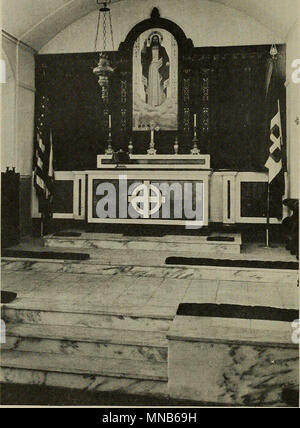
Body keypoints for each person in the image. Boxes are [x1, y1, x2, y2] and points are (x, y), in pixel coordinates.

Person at [141, 34, 169, 107]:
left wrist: (166, 62)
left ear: (159, 40)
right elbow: (143, 55)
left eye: (156, 39)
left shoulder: (162, 48)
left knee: (159, 84)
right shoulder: (148, 49)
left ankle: (160, 102)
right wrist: (144, 44)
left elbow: (166, 57)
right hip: (152, 68)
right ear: (152, 40)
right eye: (154, 39)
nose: (155, 40)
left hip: (159, 67)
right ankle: (151, 103)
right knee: (152, 84)